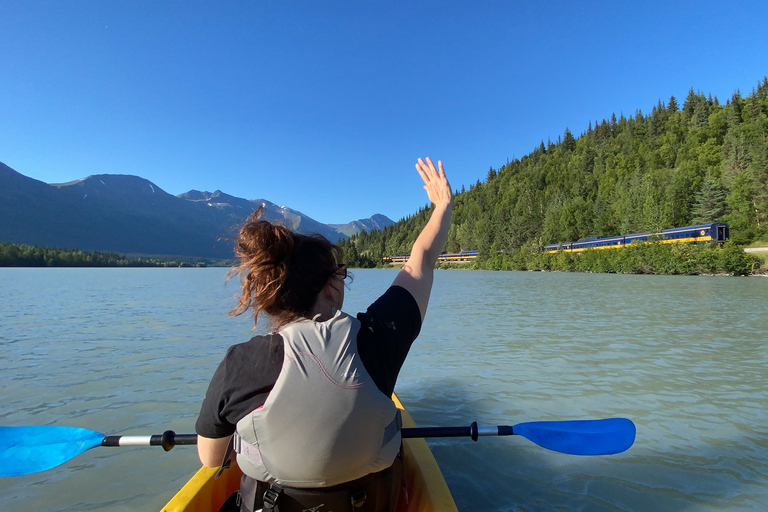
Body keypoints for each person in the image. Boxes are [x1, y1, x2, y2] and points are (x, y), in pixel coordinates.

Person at [195, 157, 453, 512]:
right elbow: (420, 261)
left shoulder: (239, 363)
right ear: (331, 287)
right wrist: (442, 205)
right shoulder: (379, 338)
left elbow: (211, 459)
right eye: (341, 274)